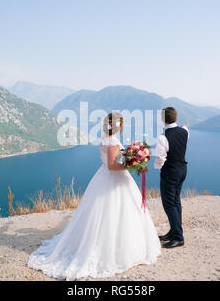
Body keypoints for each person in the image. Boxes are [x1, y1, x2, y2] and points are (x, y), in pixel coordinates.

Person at [28, 112, 161, 280]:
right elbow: (113, 166)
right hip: (113, 179)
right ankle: (115, 251)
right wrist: (132, 165)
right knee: (116, 213)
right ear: (119, 125)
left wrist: (130, 158)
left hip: (103, 177)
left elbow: (109, 162)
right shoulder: (112, 142)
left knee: (105, 214)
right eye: (123, 123)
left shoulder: (105, 139)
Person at [154, 107, 189, 249]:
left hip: (170, 172)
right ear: (176, 117)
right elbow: (185, 129)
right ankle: (174, 232)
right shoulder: (185, 131)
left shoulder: (163, 137)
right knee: (176, 202)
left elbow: (160, 159)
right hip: (182, 169)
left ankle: (178, 237)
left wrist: (157, 166)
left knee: (169, 205)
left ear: (162, 119)